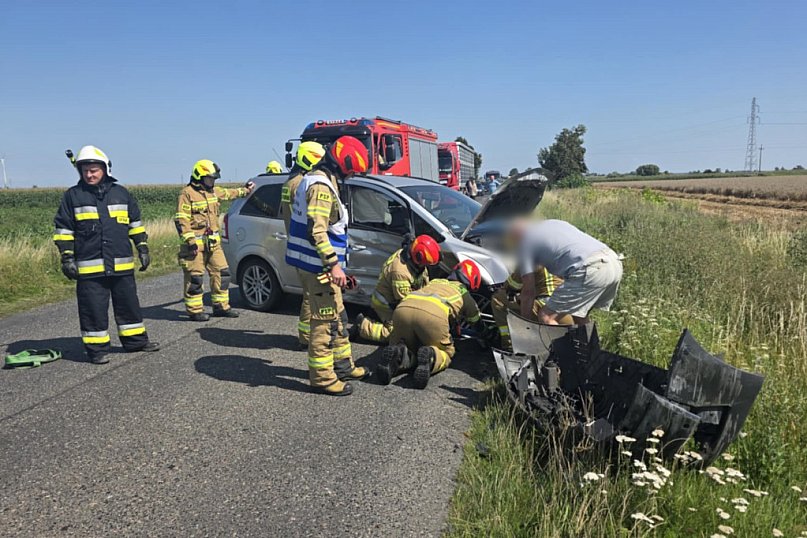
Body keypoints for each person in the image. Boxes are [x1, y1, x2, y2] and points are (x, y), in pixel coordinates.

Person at [53, 145, 159, 364]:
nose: (90, 174)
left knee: (129, 305)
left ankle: (136, 342)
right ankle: (96, 350)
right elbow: (64, 229)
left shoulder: (121, 193)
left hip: (121, 265)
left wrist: (142, 247)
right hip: (90, 268)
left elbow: (135, 224)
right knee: (93, 309)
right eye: (86, 171)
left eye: (94, 170)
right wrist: (67, 257)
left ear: (105, 169)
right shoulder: (73, 196)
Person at [285, 136, 370, 396]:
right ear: (342, 163)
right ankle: (322, 378)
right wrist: (334, 265)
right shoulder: (321, 187)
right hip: (318, 267)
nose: (353, 174)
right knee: (324, 321)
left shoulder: (321, 179)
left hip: (319, 264)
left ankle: (343, 365)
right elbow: (318, 231)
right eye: (352, 169)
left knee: (340, 315)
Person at [379, 260, 485, 389]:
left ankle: (399, 354)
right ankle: (431, 356)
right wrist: (486, 333)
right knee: (446, 352)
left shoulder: (435, 281)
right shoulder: (464, 293)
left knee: (410, 345)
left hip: (403, 309)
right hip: (433, 316)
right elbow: (475, 320)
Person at [174, 160, 254, 321]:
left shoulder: (213, 192)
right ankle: (195, 310)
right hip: (195, 246)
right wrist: (190, 241)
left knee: (222, 273)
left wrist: (246, 190)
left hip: (213, 244)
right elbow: (181, 220)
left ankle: (221, 307)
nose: (213, 181)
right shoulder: (187, 194)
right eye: (210, 178)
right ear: (199, 177)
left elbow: (230, 193)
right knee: (195, 278)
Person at [514, 219, 623, 326]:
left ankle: (558, 345)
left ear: (517, 235)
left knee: (546, 316)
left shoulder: (526, 242)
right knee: (579, 316)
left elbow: (528, 291)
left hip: (591, 268)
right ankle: (588, 344)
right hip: (613, 262)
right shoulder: (555, 223)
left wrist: (526, 324)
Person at [278, 141, 326, 348]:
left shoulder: (289, 182)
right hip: (307, 245)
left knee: (309, 293)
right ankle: (306, 337)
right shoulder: (302, 184)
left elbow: (283, 212)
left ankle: (306, 334)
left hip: (296, 243)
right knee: (310, 294)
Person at [352, 234, 441, 343]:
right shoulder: (400, 271)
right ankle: (363, 326)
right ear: (418, 258)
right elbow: (406, 304)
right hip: (386, 304)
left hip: (396, 298)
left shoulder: (413, 260)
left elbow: (424, 282)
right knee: (399, 335)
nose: (425, 266)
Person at [491, 268, 572, 350]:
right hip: (569, 306)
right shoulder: (555, 258)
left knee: (498, 300)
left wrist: (504, 287)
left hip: (547, 311)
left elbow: (513, 285)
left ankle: (510, 346)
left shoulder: (530, 259)